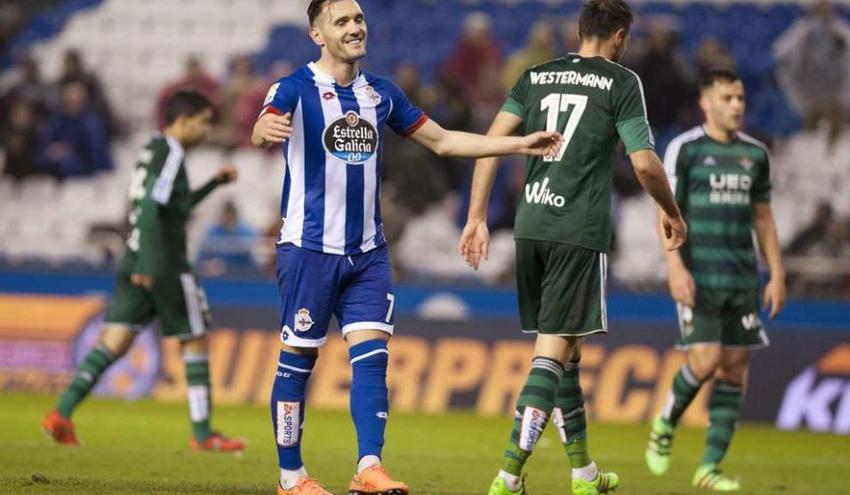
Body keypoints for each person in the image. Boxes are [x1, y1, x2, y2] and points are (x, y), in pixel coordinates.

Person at [250, 1, 562, 494]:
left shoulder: (382, 93)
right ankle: (291, 478)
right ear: (317, 34)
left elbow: (442, 141)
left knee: (373, 358)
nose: (355, 28)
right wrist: (262, 129)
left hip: (369, 252)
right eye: (342, 22)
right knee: (298, 361)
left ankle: (368, 467)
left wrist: (517, 145)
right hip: (309, 250)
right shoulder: (294, 87)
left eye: (359, 20)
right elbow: (264, 121)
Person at [458, 1, 687, 494]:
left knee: (566, 351)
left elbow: (488, 144)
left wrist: (476, 218)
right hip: (575, 230)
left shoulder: (535, 76)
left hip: (531, 223)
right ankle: (507, 475)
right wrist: (670, 209)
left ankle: (583, 474)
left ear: (579, 31)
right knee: (550, 354)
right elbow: (645, 164)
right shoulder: (622, 82)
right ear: (620, 36)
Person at [41, 90, 245, 453]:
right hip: (163, 262)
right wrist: (153, 264)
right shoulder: (170, 152)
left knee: (115, 342)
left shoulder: (153, 150)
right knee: (195, 338)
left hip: (133, 256)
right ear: (183, 121)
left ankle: (62, 413)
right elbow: (151, 207)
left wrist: (214, 184)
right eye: (203, 123)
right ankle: (202, 434)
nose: (206, 131)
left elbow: (172, 207)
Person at [644, 70, 786, 491]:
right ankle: (666, 421)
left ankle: (709, 468)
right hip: (698, 275)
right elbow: (665, 209)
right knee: (705, 361)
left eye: (740, 97)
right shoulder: (685, 149)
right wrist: (675, 266)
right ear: (707, 102)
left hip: (742, 278)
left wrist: (776, 273)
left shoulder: (756, 155)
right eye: (728, 98)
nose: (737, 105)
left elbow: (763, 217)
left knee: (734, 368)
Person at [40, 80, 113, 178]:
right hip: (57, 174)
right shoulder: (57, 120)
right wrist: (53, 152)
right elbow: (43, 149)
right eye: (69, 101)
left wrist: (71, 151)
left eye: (76, 101)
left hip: (86, 175)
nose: (72, 105)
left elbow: (98, 157)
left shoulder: (91, 124)